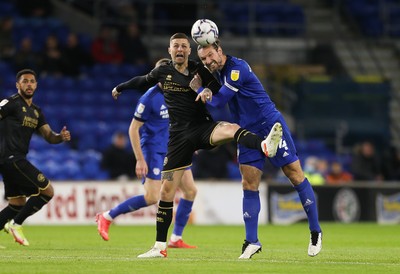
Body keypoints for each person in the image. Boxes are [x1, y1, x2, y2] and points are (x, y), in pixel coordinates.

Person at [111, 33, 282, 258]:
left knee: (230, 128)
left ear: (189, 50)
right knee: (166, 192)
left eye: (184, 46)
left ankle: (264, 146)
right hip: (179, 138)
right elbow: (141, 81)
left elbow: (216, 89)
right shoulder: (162, 72)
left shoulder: (198, 69)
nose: (180, 49)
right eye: (176, 46)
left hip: (202, 128)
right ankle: (159, 247)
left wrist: (207, 90)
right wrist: (120, 88)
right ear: (169, 50)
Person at [191, 40, 322, 258]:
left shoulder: (237, 69)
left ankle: (315, 231)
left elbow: (218, 102)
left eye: (210, 56)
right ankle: (252, 241)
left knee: (294, 174)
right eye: (203, 59)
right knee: (248, 182)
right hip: (247, 132)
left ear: (219, 50)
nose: (207, 62)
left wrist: (199, 89)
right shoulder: (219, 72)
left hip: (270, 125)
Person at [97, 58, 197, 248]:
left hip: (175, 149)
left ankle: (175, 238)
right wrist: (140, 159)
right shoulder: (149, 98)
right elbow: (133, 129)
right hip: (154, 151)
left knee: (190, 190)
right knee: (152, 197)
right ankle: (107, 216)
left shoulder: (179, 93)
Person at [0, 69, 71, 246]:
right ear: (18, 85)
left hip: (14, 159)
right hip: (11, 157)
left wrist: (60, 137)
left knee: (17, 203)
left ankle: (14, 219)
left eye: (32, 81)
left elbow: (48, 136)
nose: (29, 84)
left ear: (36, 85)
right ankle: (16, 224)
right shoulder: (10, 103)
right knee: (48, 191)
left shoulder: (36, 111)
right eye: (25, 81)